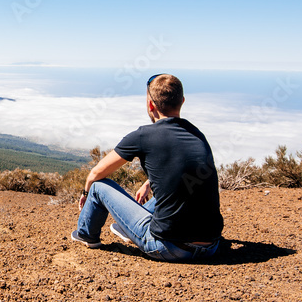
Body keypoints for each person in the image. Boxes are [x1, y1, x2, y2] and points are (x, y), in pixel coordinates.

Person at [70, 74, 224, 261]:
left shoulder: (144, 135)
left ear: (151, 105)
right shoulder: (197, 135)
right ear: (182, 102)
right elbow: (181, 167)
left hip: (167, 246)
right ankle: (126, 227)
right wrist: (149, 183)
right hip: (211, 246)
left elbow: (95, 173)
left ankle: (86, 234)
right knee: (177, 192)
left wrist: (86, 194)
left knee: (98, 186)